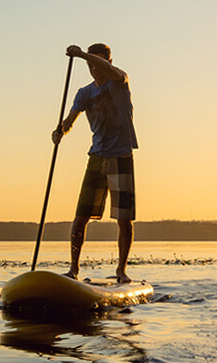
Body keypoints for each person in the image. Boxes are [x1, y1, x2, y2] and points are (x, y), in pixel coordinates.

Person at [52, 43, 138, 283]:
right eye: (89, 65)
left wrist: (81, 55)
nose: (93, 69)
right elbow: (69, 121)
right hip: (97, 157)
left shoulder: (120, 80)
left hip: (121, 156)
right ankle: (74, 269)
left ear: (109, 62)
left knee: (124, 219)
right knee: (81, 216)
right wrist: (60, 131)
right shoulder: (84, 93)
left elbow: (109, 71)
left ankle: (121, 270)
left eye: (97, 63)